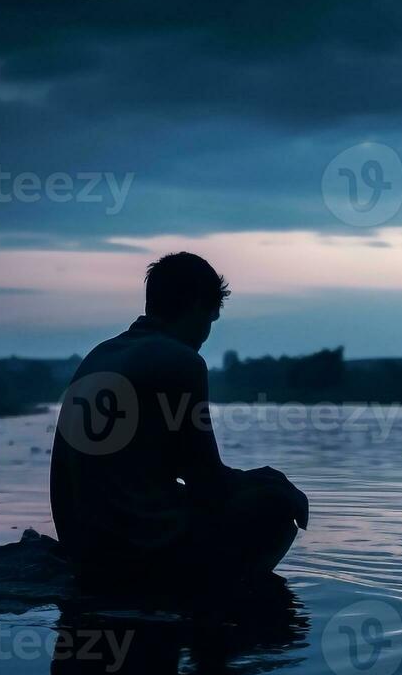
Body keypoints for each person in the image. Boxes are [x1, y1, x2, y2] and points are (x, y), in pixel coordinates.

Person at [50, 252, 307, 592]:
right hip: (131, 550)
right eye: (210, 320)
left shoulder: (100, 354)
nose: (206, 335)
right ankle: (214, 614)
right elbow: (208, 484)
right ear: (198, 306)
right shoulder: (181, 361)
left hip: (81, 544)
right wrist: (269, 483)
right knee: (277, 507)